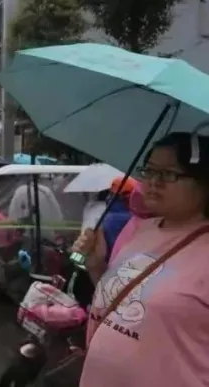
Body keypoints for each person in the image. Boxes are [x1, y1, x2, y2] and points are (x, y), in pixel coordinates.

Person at [73, 132, 209, 387]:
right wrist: (96, 266)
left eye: (169, 174)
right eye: (149, 171)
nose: (154, 182)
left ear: (204, 182)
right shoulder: (142, 229)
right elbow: (127, 301)